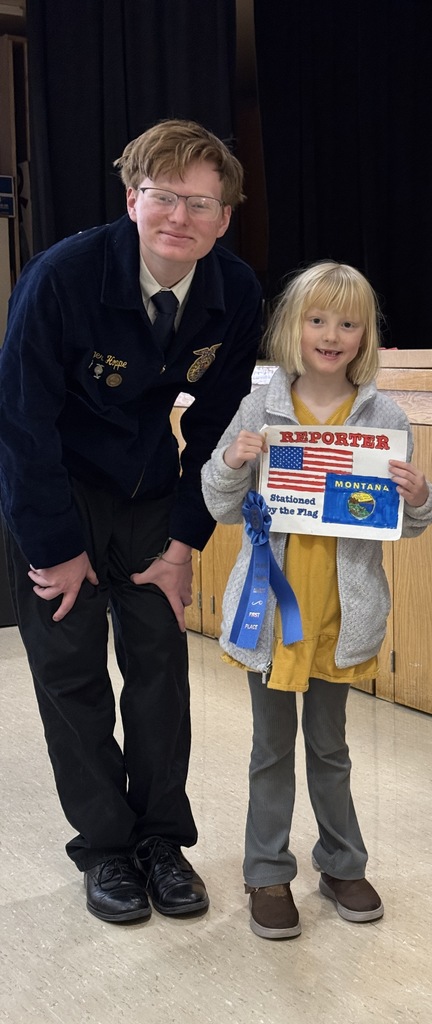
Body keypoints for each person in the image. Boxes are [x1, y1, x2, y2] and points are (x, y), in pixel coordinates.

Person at [0, 119, 263, 923]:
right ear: (131, 199)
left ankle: (160, 842)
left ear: (224, 218)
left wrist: (185, 542)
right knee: (71, 674)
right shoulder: (63, 277)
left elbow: (216, 429)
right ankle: (107, 849)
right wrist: (57, 548)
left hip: (151, 492)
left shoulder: (235, 291)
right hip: (58, 491)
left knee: (159, 670)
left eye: (201, 203)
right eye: (163, 196)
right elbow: (21, 425)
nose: (180, 217)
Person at [201, 260, 432, 940]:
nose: (331, 335)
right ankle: (266, 871)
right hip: (271, 617)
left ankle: (341, 864)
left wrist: (420, 496)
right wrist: (233, 463)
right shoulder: (260, 406)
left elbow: (407, 524)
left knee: (331, 749)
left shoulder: (384, 415)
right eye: (317, 320)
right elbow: (218, 503)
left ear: (366, 335)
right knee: (270, 750)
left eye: (348, 323)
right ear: (292, 327)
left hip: (340, 617)